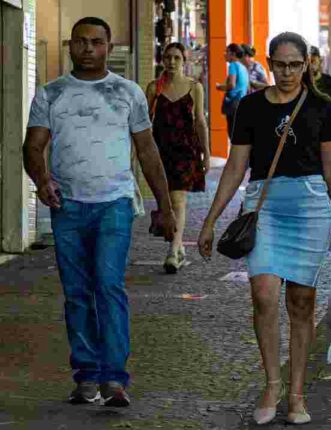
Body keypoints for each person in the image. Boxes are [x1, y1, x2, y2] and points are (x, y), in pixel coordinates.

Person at [197, 31, 331, 426]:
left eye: (294, 65)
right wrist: (211, 218)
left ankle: (297, 393)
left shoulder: (321, 108)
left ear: (307, 65)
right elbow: (236, 167)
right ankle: (272, 383)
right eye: (279, 64)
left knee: (301, 301)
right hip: (263, 207)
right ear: (269, 63)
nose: (286, 72)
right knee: (264, 293)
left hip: (310, 209)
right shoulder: (250, 107)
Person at [23, 17, 176, 407]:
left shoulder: (126, 93)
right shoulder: (50, 93)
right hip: (67, 206)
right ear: (70, 45)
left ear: (108, 46)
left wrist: (165, 206)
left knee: (108, 286)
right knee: (77, 293)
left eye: (96, 42)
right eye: (81, 42)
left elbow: (147, 150)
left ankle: (114, 379)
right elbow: (32, 147)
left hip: (115, 205)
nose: (88, 48)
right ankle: (86, 375)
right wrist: (43, 182)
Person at [146, 42, 210, 273]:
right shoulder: (155, 88)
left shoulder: (195, 87)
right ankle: (179, 245)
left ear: (184, 61)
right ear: (163, 60)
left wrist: (206, 153)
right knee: (167, 201)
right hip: (160, 151)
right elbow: (144, 123)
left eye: (176, 58)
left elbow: (200, 122)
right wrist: (138, 153)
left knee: (178, 200)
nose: (172, 62)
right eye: (168, 57)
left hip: (186, 151)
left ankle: (173, 251)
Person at [216, 43, 249, 138]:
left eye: (227, 52)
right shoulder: (243, 67)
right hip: (241, 104)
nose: (224, 54)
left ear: (233, 54)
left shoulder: (233, 66)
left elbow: (231, 85)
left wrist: (219, 87)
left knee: (232, 134)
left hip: (233, 104)